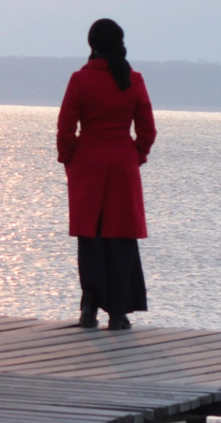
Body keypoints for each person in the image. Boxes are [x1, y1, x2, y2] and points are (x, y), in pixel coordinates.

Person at [58, 17, 154, 330]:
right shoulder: (133, 79)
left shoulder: (80, 80)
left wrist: (69, 159)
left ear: (92, 44)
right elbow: (147, 130)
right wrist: (136, 154)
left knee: (91, 236)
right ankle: (119, 313)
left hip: (88, 163)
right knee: (120, 237)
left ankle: (89, 308)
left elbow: (65, 127)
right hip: (122, 163)